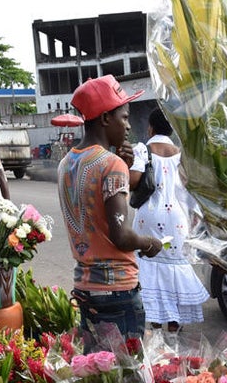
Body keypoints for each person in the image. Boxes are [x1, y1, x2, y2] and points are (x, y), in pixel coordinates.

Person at [59, 74, 163, 341]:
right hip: (117, 290)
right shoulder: (110, 164)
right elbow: (122, 235)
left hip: (85, 285)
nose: (128, 126)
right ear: (105, 118)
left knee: (97, 373)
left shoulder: (66, 163)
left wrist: (123, 169)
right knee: (126, 377)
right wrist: (150, 243)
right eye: (124, 117)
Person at [128, 107, 208, 330]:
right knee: (173, 266)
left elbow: (133, 181)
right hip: (178, 219)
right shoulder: (182, 155)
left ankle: (155, 326)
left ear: (150, 127)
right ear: (171, 128)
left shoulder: (142, 150)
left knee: (150, 265)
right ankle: (174, 327)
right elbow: (191, 190)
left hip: (148, 217)